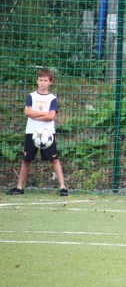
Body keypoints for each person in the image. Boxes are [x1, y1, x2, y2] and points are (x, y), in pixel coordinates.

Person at [7, 68, 68, 196]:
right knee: (26, 160)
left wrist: (35, 115)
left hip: (47, 134)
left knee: (54, 159)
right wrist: (43, 114)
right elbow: (27, 112)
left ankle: (63, 187)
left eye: (45, 80)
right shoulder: (31, 96)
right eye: (40, 80)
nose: (43, 83)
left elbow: (51, 117)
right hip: (32, 132)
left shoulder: (52, 98)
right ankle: (19, 187)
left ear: (50, 82)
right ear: (37, 81)